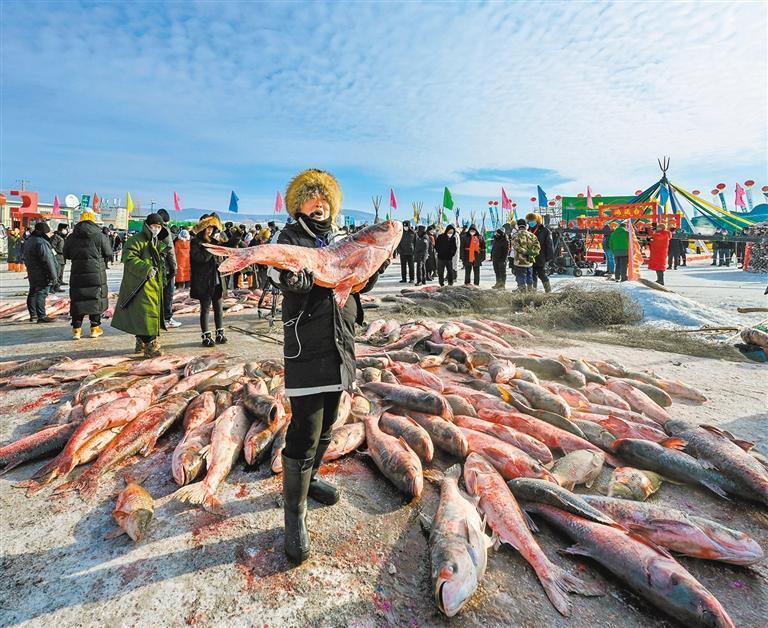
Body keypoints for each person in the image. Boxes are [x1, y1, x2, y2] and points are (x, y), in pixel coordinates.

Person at [270, 169, 387, 564]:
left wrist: (372, 270)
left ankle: (312, 477)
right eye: (310, 198)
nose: (318, 204)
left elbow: (357, 281)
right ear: (297, 205)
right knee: (306, 426)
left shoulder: (343, 238)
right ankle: (295, 514)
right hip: (307, 343)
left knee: (330, 420)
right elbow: (274, 270)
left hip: (341, 340)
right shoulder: (289, 238)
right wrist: (291, 282)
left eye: (324, 198)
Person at [111, 213, 169, 357]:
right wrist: (146, 268)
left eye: (159, 227)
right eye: (154, 226)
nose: (156, 229)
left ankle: (141, 342)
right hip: (140, 283)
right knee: (147, 313)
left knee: (144, 314)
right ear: (147, 226)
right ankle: (151, 346)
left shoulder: (156, 240)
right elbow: (129, 258)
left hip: (153, 282)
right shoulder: (137, 240)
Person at [63, 211, 112, 339]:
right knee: (95, 298)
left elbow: (66, 254)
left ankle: (76, 329)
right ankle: (95, 328)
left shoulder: (71, 237)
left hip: (77, 272)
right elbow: (108, 252)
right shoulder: (100, 236)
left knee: (78, 299)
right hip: (96, 272)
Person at [190, 214, 228, 346]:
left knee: (219, 308)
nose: (210, 231)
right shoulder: (196, 242)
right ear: (203, 229)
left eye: (212, 228)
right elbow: (201, 259)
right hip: (204, 281)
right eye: (208, 228)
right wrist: (211, 247)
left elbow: (227, 245)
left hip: (217, 280)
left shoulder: (214, 241)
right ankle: (206, 336)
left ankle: (220, 334)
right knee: (205, 309)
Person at [22, 222, 59, 323]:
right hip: (43, 272)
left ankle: (33, 315)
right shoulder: (42, 243)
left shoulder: (29, 241)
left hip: (32, 271)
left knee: (33, 292)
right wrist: (54, 277)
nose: (50, 234)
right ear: (44, 232)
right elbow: (48, 261)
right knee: (41, 293)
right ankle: (41, 316)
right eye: (48, 232)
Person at [156, 208, 181, 328]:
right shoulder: (165, 231)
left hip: (155, 267)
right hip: (166, 268)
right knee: (168, 293)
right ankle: (167, 318)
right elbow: (170, 251)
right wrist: (174, 268)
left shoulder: (150, 231)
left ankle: (158, 318)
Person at [509, 219, 540, 291]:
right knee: (529, 278)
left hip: (519, 262)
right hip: (529, 261)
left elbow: (516, 247)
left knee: (521, 279)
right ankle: (530, 291)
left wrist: (525, 252)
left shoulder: (515, 235)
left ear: (517, 226)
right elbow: (537, 247)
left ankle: (523, 293)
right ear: (526, 226)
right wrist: (531, 252)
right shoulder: (532, 235)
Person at [526, 212, 554, 292]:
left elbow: (549, 244)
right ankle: (533, 292)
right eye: (529, 220)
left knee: (542, 274)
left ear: (537, 220)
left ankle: (548, 291)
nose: (531, 222)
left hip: (541, 257)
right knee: (532, 275)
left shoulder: (545, 231)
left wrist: (549, 257)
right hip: (530, 258)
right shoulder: (527, 231)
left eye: (532, 220)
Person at [49, 223, 68, 289]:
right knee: (57, 272)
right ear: (61, 229)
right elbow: (51, 247)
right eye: (65, 228)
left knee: (61, 272)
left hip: (62, 257)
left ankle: (60, 282)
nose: (66, 230)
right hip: (57, 257)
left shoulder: (63, 237)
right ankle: (55, 287)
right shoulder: (56, 237)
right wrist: (55, 255)